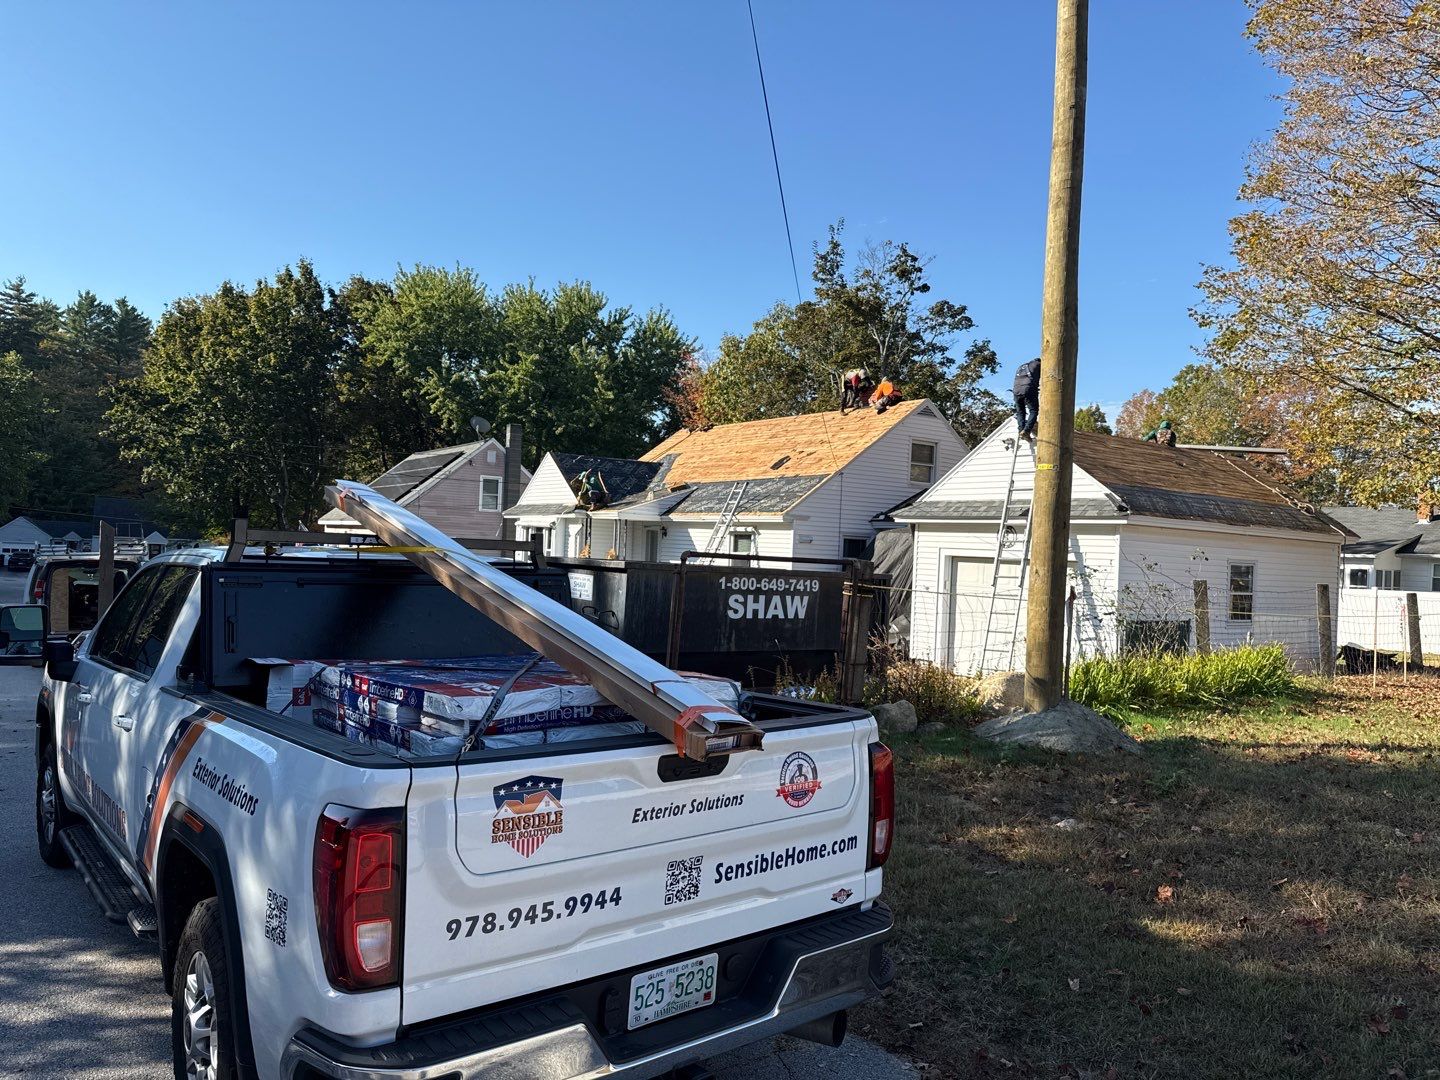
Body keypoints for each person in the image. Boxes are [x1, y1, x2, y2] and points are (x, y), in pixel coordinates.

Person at [1013, 357, 1041, 440]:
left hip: (1016, 391)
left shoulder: (1022, 366)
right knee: (1033, 411)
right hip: (1028, 389)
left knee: (1020, 412)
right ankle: (1026, 431)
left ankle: (1021, 431)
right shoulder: (1038, 364)